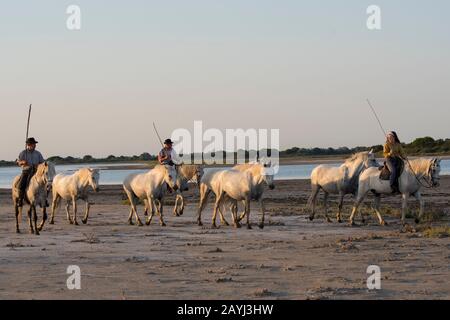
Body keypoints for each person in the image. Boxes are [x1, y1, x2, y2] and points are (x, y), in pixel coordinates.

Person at [16, 137, 45, 206]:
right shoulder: (23, 153)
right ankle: (20, 200)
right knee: (21, 185)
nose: (34, 145)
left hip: (36, 172)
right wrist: (22, 162)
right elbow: (18, 162)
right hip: (26, 171)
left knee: (45, 184)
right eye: (33, 144)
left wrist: (38, 165)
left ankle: (44, 200)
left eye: (34, 144)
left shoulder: (38, 153)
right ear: (28, 145)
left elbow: (42, 163)